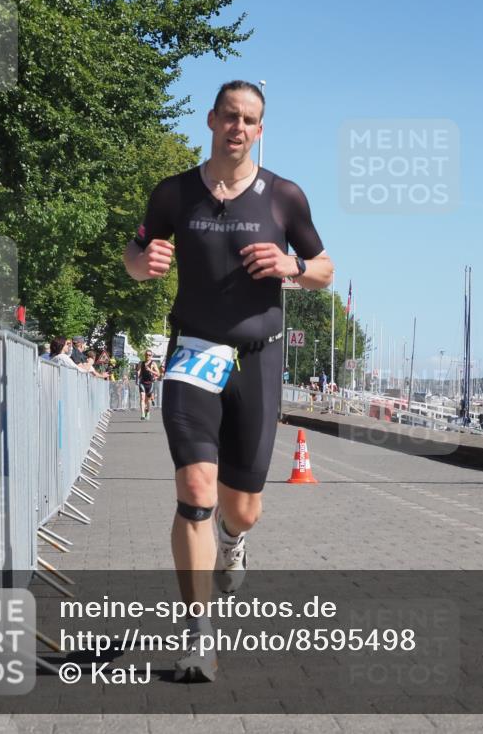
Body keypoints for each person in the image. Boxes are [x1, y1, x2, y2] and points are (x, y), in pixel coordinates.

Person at [123, 80, 333, 682]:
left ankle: (233, 539)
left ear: (259, 131)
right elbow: (135, 252)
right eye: (230, 116)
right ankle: (198, 635)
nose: (238, 127)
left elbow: (325, 268)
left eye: (249, 120)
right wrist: (141, 264)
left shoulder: (284, 197)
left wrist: (292, 265)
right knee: (195, 490)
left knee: (242, 509)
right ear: (212, 120)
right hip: (192, 352)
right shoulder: (174, 193)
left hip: (258, 361)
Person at [137, 350, 159, 419]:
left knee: (148, 400)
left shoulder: (153, 363)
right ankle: (142, 414)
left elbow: (158, 374)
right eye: (146, 354)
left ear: (151, 356)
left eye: (149, 355)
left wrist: (150, 370)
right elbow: (138, 371)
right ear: (144, 355)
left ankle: (148, 412)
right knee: (142, 397)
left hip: (150, 383)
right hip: (142, 382)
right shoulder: (141, 363)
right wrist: (138, 375)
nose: (148, 356)